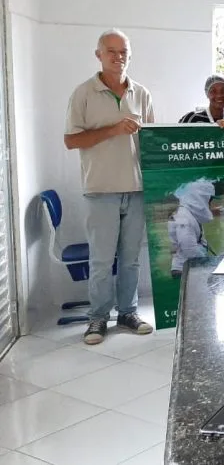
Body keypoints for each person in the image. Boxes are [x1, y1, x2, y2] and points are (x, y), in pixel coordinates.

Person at [63, 29, 154, 345]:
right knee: (101, 261)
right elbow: (71, 140)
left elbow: (152, 142)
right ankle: (97, 320)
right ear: (99, 54)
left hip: (137, 189)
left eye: (124, 51)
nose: (118, 57)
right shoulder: (84, 93)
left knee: (130, 259)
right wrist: (114, 129)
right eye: (111, 51)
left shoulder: (142, 93)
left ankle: (128, 313)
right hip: (100, 189)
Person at [168, 179, 216, 277]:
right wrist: (206, 262)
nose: (209, 203)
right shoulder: (184, 218)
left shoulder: (189, 214)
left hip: (190, 267)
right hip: (184, 270)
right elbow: (189, 248)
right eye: (208, 199)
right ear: (199, 197)